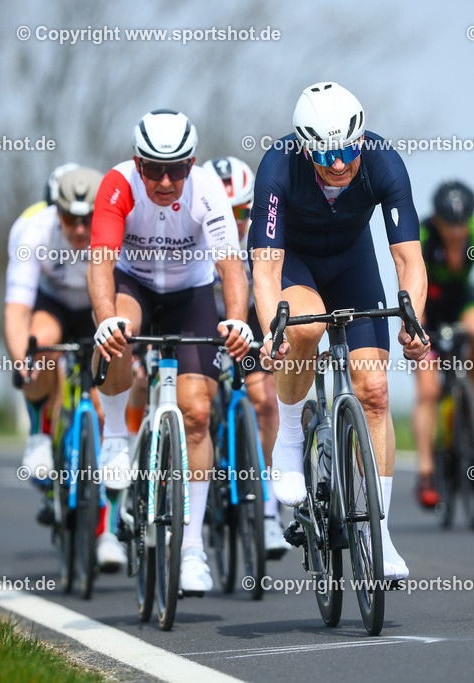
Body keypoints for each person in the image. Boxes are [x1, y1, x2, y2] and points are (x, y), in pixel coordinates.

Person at [249, 82, 430, 580]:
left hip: (353, 264)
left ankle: (379, 533)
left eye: (348, 151)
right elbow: (264, 269)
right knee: (303, 330)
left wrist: (414, 316)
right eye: (326, 155)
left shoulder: (382, 161)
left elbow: (407, 258)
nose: (339, 164)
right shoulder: (277, 167)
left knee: (373, 389)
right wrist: (272, 331)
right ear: (306, 147)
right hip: (296, 265)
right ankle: (289, 435)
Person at [88, 109, 252, 594]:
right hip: (132, 285)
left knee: (198, 413)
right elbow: (100, 265)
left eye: (176, 169)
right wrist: (105, 320)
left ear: (192, 163)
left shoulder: (206, 191)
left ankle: (193, 548)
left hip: (190, 295)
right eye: (153, 169)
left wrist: (238, 321)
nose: (164, 181)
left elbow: (231, 268)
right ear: (137, 162)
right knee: (119, 331)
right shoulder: (117, 185)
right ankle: (117, 435)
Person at [4, 164, 128, 571]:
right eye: (69, 218)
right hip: (53, 306)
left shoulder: (117, 227)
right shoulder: (32, 230)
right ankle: (40, 433)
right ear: (53, 209)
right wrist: (23, 363)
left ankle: (108, 529)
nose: (78, 229)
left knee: (107, 396)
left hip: (98, 307)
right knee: (38, 343)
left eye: (87, 219)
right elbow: (17, 310)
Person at [202, 156, 291, 559]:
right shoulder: (197, 234)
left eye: (243, 210)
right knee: (196, 404)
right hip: (206, 322)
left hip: (249, 324)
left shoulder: (262, 235)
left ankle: (270, 512)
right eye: (227, 211)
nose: (236, 221)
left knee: (265, 403)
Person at [411, 181, 474, 508]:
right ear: (437, 219)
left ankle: (472, 399)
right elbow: (411, 280)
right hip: (427, 302)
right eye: (449, 225)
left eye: (462, 224)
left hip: (460, 300)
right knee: (427, 391)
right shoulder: (423, 233)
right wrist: (416, 326)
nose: (457, 232)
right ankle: (427, 473)